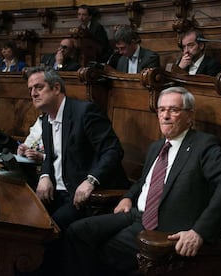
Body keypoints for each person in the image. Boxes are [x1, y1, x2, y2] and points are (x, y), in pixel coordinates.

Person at [65, 86, 221, 276]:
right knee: (77, 231)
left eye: (174, 110)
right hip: (136, 214)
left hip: (164, 226)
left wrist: (199, 231)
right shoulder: (157, 146)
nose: (165, 116)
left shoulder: (204, 145)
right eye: (161, 110)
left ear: (190, 116)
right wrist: (128, 197)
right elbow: (144, 182)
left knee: (105, 251)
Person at [26, 66, 130, 275]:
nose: (33, 93)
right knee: (25, 222)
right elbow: (50, 156)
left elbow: (112, 150)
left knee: (48, 230)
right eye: (30, 89)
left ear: (56, 88)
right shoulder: (47, 118)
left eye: (39, 87)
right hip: (58, 191)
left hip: (84, 196)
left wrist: (91, 180)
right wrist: (45, 175)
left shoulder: (84, 112)